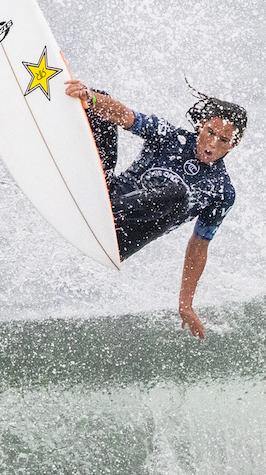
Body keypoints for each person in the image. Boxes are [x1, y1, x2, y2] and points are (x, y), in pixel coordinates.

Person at [64, 80, 246, 339]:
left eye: (224, 139)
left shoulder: (221, 192)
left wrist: (185, 303)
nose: (213, 143)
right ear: (201, 125)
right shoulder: (169, 136)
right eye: (210, 132)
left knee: (178, 195)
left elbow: (199, 245)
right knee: (97, 101)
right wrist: (89, 98)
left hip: (122, 237)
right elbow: (125, 116)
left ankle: (98, 212)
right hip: (106, 196)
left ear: (233, 145)